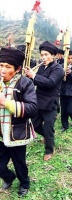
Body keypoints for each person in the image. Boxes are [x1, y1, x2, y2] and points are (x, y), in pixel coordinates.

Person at [0, 47, 37, 196]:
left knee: (19, 162)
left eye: (7, 67)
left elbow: (33, 108)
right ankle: (9, 177)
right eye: (0, 65)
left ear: (17, 69)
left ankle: (24, 183)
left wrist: (7, 103)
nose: (2, 70)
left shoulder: (25, 83)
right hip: (0, 133)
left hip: (17, 133)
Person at [25, 41, 64, 161]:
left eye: (46, 54)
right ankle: (46, 137)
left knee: (48, 128)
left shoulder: (58, 69)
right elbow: (37, 82)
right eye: (42, 55)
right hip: (38, 100)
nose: (43, 57)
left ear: (53, 55)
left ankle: (49, 150)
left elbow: (50, 83)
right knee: (35, 125)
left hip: (50, 103)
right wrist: (28, 78)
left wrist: (34, 76)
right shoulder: (42, 67)